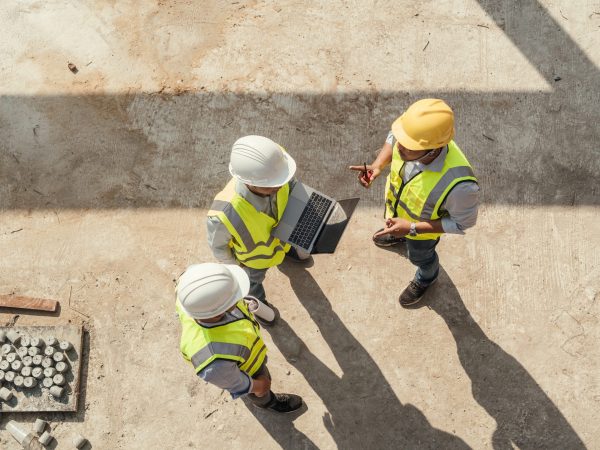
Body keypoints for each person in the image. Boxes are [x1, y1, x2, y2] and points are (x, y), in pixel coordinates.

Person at [350, 99, 479, 306]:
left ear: (433, 149)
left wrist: (410, 228)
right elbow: (393, 139)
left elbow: (462, 223)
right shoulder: (412, 138)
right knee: (401, 233)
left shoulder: (461, 186)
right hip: (397, 214)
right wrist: (378, 165)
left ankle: (426, 277)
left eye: (408, 147)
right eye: (403, 140)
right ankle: (398, 235)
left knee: (420, 257)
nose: (399, 148)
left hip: (422, 234)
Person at [206, 135, 309, 324]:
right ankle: (258, 303)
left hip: (283, 240)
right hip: (254, 262)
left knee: (286, 246)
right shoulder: (224, 213)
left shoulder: (275, 165)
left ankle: (287, 252)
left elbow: (292, 186)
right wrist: (238, 269)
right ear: (249, 182)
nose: (280, 185)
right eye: (272, 185)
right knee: (253, 283)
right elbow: (219, 248)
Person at [175, 262, 303, 413]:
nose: (239, 298)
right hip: (249, 370)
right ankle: (268, 403)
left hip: (243, 357)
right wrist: (260, 386)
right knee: (259, 391)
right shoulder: (213, 362)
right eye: (235, 297)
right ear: (219, 311)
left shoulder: (190, 291)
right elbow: (236, 383)